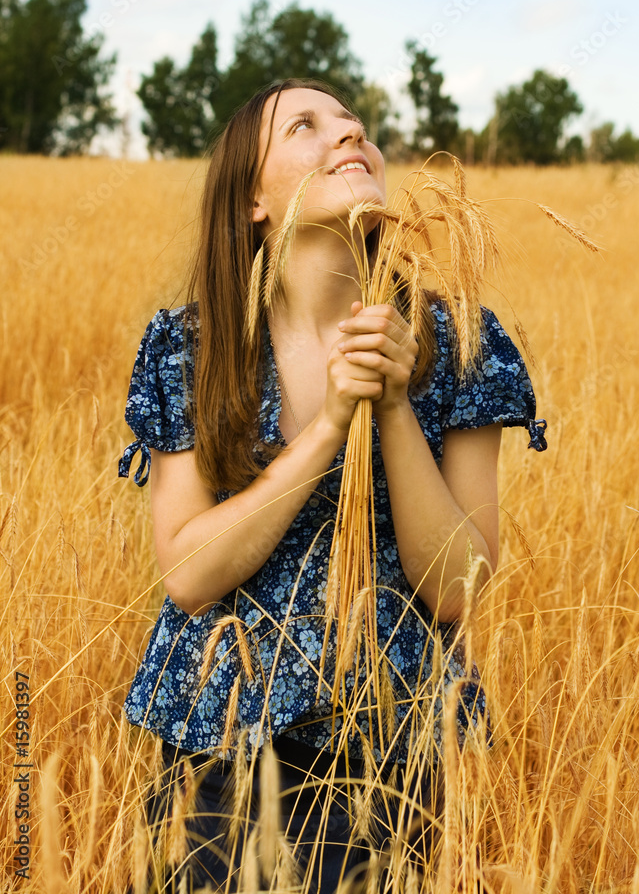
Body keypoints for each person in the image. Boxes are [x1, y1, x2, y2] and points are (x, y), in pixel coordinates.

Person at [118, 77, 547, 893]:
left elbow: (455, 588)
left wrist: (387, 404)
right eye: (306, 128)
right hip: (214, 737)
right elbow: (188, 574)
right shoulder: (191, 348)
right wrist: (324, 429)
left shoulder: (457, 342)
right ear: (252, 199)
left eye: (355, 127)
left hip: (387, 744)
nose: (348, 137)